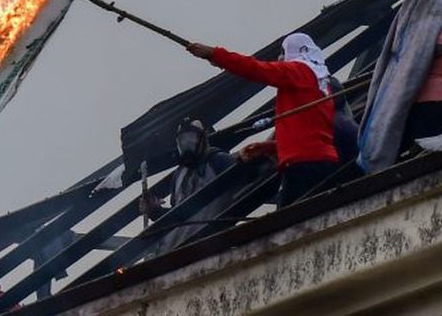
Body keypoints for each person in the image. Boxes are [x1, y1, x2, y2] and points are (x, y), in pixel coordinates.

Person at [187, 33, 338, 207]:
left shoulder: (299, 71)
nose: (280, 58)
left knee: (292, 222)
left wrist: (214, 54)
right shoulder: (319, 83)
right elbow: (307, 134)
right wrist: (270, 147)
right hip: (320, 160)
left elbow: (256, 69)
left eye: (283, 52)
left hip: (302, 164)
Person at [358, 0, 442, 173]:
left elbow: (441, 45)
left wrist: (413, 52)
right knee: (411, 148)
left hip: (437, 93)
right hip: (421, 94)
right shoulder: (422, 7)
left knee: (424, 153)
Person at [140, 118, 237, 253]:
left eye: (191, 138)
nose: (186, 143)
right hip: (177, 250)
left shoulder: (218, 161)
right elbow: (179, 217)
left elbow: (250, 178)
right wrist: (155, 211)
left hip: (210, 244)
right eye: (182, 140)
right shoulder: (178, 176)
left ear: (203, 139)